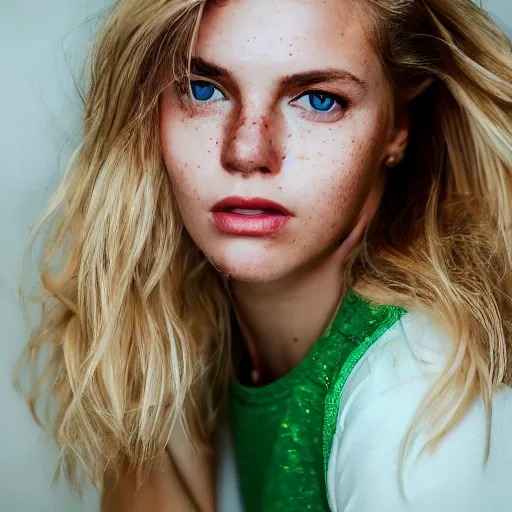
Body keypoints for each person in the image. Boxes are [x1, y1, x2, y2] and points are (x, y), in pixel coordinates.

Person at [14, 0, 512, 510]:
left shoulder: (420, 406)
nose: (247, 151)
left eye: (319, 100)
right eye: (203, 90)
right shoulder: (182, 346)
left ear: (397, 128)